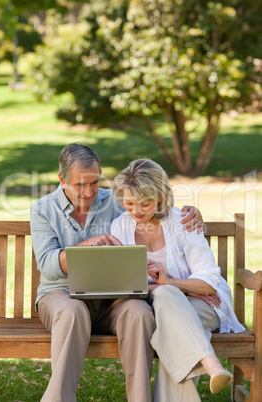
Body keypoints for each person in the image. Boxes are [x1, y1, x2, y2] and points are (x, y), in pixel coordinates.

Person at [30, 143, 203, 402]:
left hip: (113, 300)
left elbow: (152, 210)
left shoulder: (115, 200)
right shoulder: (43, 210)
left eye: (95, 183)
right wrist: (83, 247)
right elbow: (48, 264)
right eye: (80, 185)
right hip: (62, 295)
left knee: (140, 313)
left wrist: (189, 214)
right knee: (73, 311)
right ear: (62, 180)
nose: (89, 192)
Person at [111, 158, 245, 401]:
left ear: (161, 198)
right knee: (169, 323)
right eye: (128, 203)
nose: (136, 211)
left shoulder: (183, 222)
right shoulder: (119, 227)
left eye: (145, 203)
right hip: (165, 310)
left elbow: (208, 284)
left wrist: (170, 282)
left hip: (207, 305)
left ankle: (209, 363)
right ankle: (211, 363)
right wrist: (180, 289)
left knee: (166, 304)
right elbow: (122, 283)